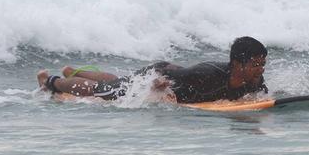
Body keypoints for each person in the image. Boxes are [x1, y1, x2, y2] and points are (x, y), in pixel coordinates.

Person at [37, 36, 268, 104]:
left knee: (119, 82)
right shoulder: (206, 76)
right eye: (256, 64)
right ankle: (52, 82)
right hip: (158, 75)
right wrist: (154, 87)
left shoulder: (255, 79)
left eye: (263, 63)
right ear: (239, 64)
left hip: (169, 72)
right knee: (104, 92)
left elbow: (261, 96)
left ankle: (74, 71)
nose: (261, 69)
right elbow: (169, 83)